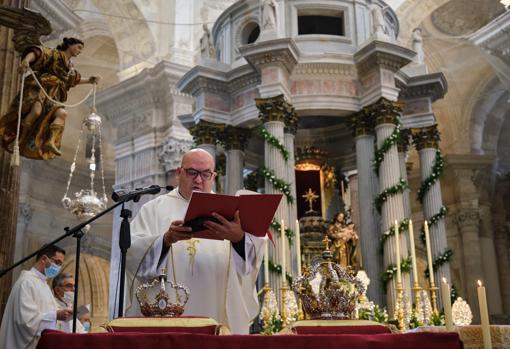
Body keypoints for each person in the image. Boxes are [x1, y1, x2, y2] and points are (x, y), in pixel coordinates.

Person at [126, 148, 265, 334]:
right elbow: (131, 253)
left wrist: (239, 238)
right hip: (167, 319)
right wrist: (165, 240)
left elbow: (251, 262)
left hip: (217, 312)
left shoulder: (230, 211)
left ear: (213, 176)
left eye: (206, 174)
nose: (199, 180)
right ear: (179, 173)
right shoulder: (153, 209)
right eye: (192, 172)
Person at [0, 37, 100, 159]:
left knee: (62, 114)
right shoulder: (54, 54)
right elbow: (38, 53)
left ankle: (50, 141)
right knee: (35, 112)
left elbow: (73, 79)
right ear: (69, 45)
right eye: (79, 47)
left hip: (53, 96)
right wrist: (26, 60)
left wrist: (90, 80)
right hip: (40, 89)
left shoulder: (70, 66)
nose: (80, 51)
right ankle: (20, 137)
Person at [0, 244, 73, 349]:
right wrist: (56, 315)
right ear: (44, 259)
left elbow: (50, 312)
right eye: (57, 262)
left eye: (60, 264)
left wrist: (65, 313)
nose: (58, 268)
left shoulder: (44, 285)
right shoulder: (26, 282)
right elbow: (26, 322)